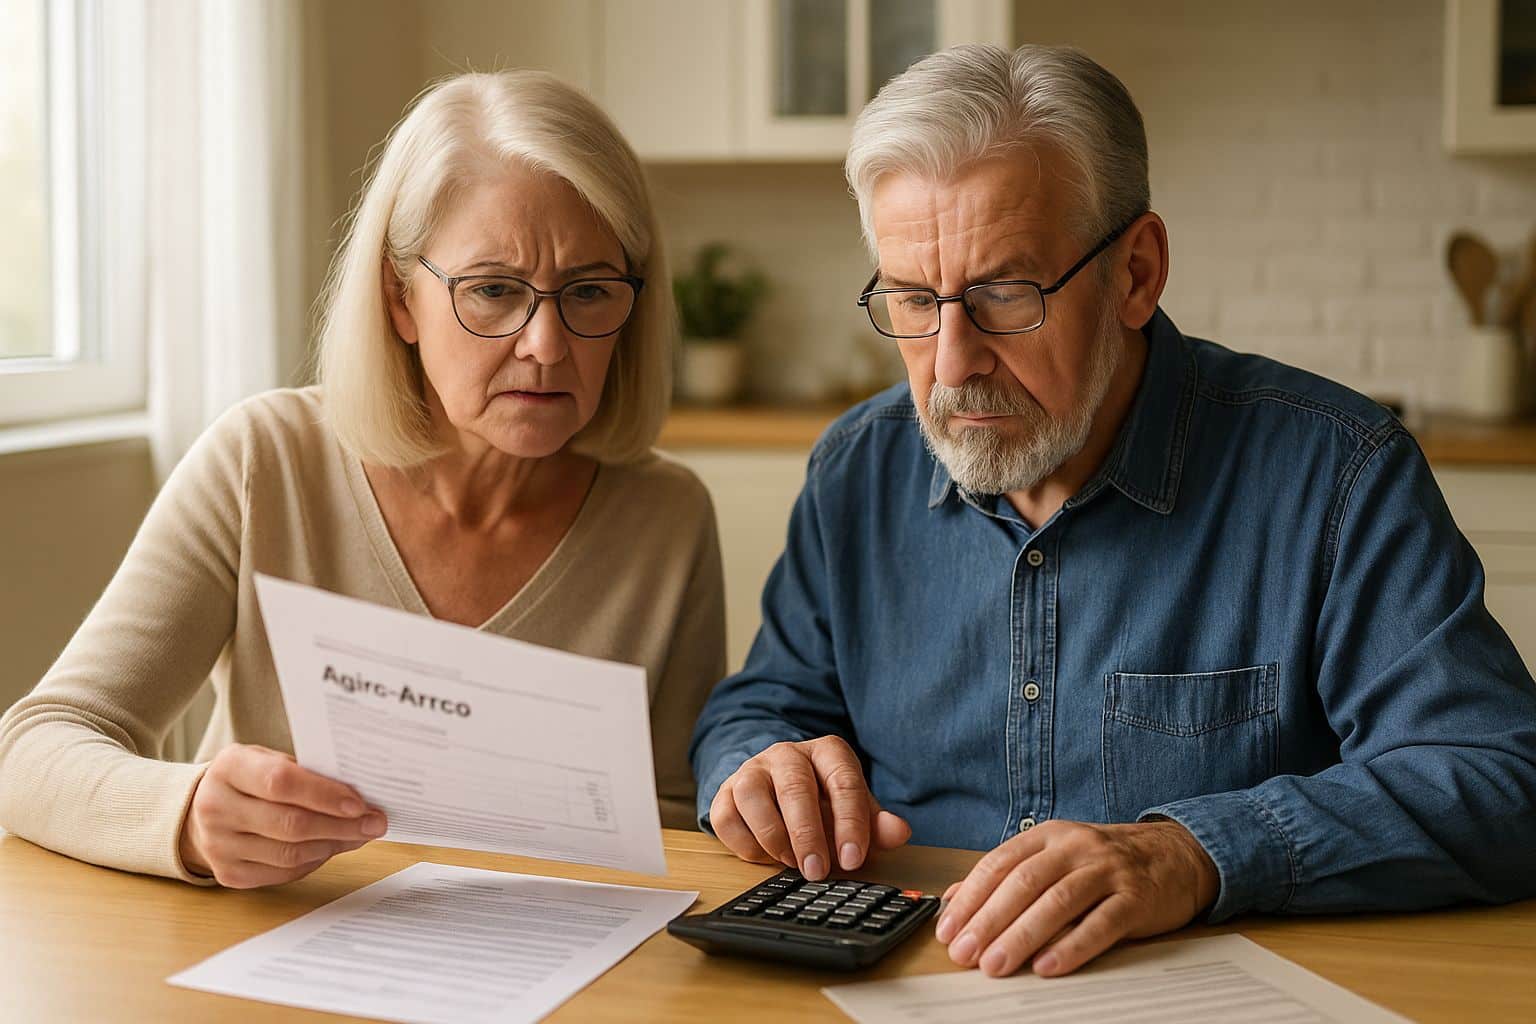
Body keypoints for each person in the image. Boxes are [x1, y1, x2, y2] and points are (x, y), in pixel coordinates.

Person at [691, 44, 1536, 979]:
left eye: (1003, 295)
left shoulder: (1335, 473)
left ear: (1136, 272)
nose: (953, 359)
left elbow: (1498, 780)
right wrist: (756, 762)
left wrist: (1193, 854)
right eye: (911, 300)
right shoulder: (856, 469)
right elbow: (768, 699)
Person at [0, 71, 724, 888]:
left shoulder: (668, 517)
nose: (548, 345)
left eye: (589, 291)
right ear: (399, 300)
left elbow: (668, 816)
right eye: (492, 290)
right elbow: (33, 750)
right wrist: (187, 815)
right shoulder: (264, 460)